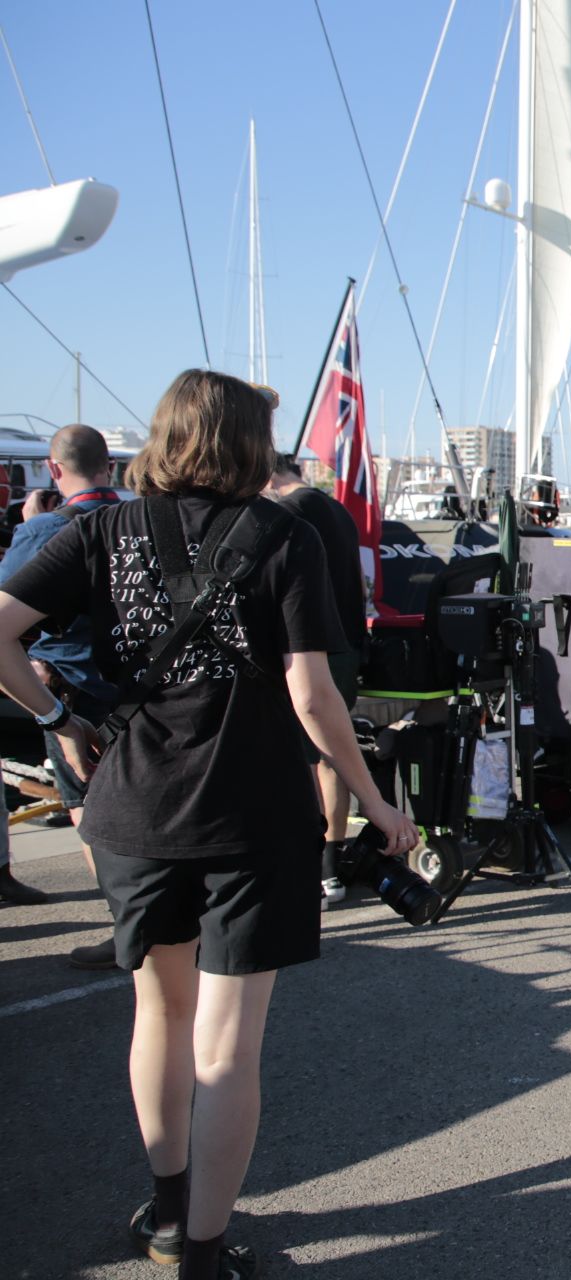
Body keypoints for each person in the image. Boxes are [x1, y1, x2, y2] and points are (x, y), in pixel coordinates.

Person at [0, 370, 420, 1279]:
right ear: (245, 442)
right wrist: (376, 804)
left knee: (160, 1010)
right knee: (229, 1043)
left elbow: (0, 628)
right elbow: (312, 695)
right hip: (253, 810)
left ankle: (166, 1203)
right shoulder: (286, 536)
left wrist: (55, 719)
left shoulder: (100, 530)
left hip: (135, 805)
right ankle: (201, 1250)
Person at [0, 425, 121, 919]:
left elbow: (8, 613)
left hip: (74, 690)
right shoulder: (138, 519)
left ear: (53, 470)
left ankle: (126, 926)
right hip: (144, 690)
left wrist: (31, 527)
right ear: (109, 466)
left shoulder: (44, 530)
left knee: (87, 807)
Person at [265, 452, 367, 906]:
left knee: (303, 760)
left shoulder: (287, 511)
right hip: (346, 643)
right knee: (334, 757)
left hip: (307, 648)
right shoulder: (337, 510)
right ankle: (331, 867)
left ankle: (312, 868)